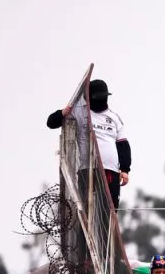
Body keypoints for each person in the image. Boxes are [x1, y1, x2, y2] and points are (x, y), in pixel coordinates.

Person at [46, 78, 131, 209]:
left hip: (110, 170)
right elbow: (51, 122)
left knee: (110, 210)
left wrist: (125, 170)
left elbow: (123, 145)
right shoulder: (79, 111)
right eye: (97, 97)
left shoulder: (114, 118)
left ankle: (106, 229)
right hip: (87, 168)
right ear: (88, 97)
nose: (101, 100)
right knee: (85, 209)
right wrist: (63, 112)